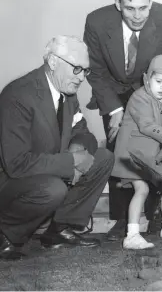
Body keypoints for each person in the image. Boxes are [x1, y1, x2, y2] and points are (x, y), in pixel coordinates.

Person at [83, 0, 162, 240]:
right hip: (115, 93)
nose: (138, 16)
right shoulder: (96, 21)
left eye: (143, 7)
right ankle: (123, 219)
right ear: (118, 4)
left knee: (160, 146)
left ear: (150, 2)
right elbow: (95, 71)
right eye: (130, 8)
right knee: (120, 147)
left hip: (155, 92)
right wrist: (115, 111)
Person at [0, 35, 114, 260]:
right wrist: (72, 162)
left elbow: (82, 131)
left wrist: (77, 150)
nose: (82, 78)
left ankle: (59, 229)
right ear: (53, 62)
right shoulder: (17, 95)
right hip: (11, 181)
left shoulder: (67, 93)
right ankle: (6, 234)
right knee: (53, 189)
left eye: (85, 71)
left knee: (103, 158)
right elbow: (16, 164)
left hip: (48, 168)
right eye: (77, 69)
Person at [112, 55, 162, 249]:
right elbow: (146, 125)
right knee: (142, 189)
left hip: (153, 153)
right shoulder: (139, 97)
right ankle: (132, 235)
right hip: (132, 153)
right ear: (146, 78)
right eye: (158, 81)